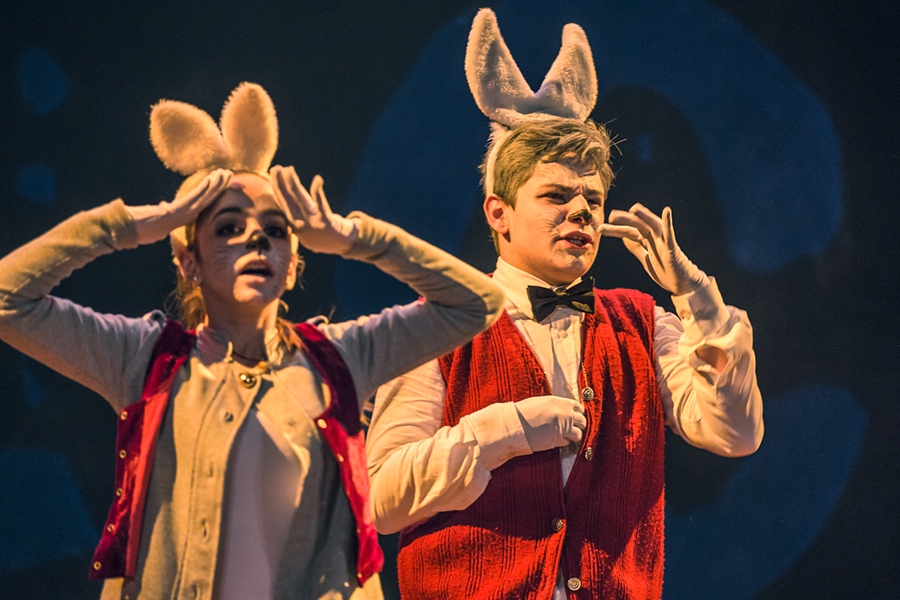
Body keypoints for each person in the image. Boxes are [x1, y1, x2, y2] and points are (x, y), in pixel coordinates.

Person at [0, 82, 504, 600]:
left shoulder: (340, 357)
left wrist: (353, 237)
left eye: (276, 229)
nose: (256, 238)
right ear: (188, 260)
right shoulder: (145, 358)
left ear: (293, 265)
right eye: (227, 228)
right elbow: (6, 299)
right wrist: (135, 224)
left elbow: (478, 303)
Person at [365, 10, 764, 600]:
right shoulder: (438, 324)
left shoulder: (642, 323)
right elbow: (380, 499)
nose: (581, 211)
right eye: (556, 195)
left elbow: (735, 432)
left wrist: (697, 296)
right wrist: (501, 431)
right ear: (498, 213)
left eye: (592, 199)